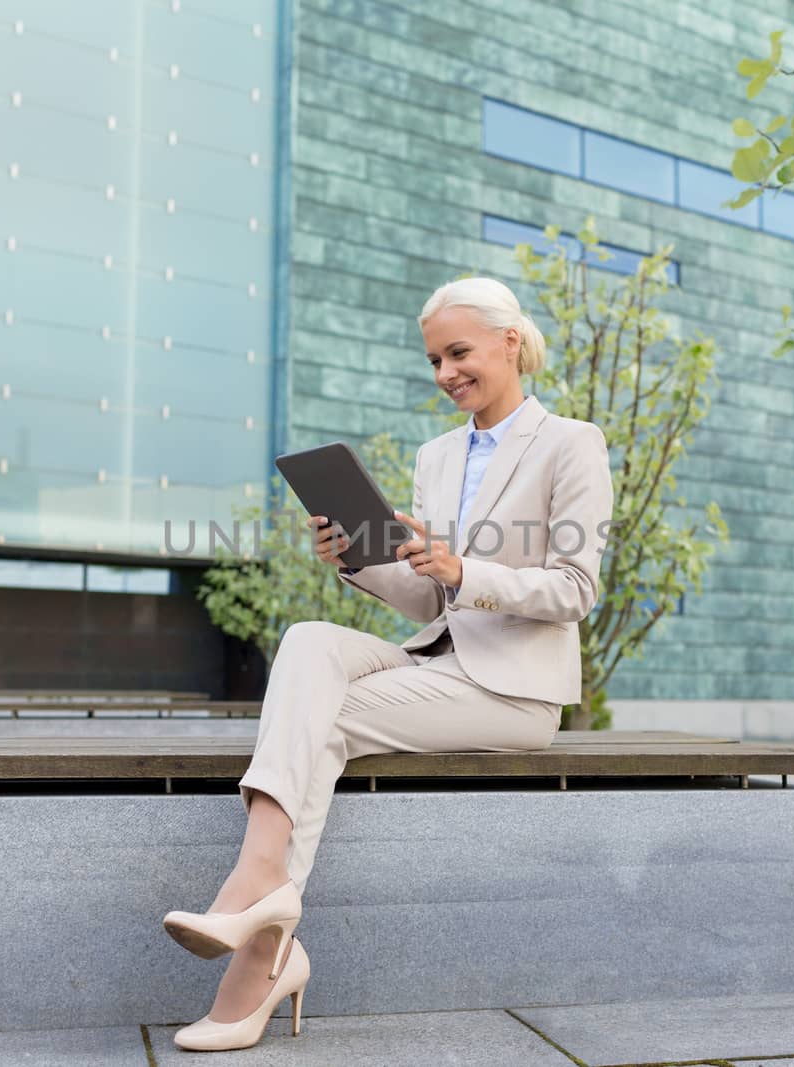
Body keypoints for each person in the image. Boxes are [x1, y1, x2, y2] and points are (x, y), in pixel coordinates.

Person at [160, 276, 615, 1052]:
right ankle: (262, 898)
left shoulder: (572, 442)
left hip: (512, 693)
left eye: (458, 353)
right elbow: (427, 602)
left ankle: (257, 938)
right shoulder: (436, 456)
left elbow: (576, 589)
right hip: (436, 662)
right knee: (308, 636)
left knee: (318, 724)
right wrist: (358, 561)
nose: (445, 373)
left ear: (511, 342)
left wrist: (463, 567)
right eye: (435, 358)